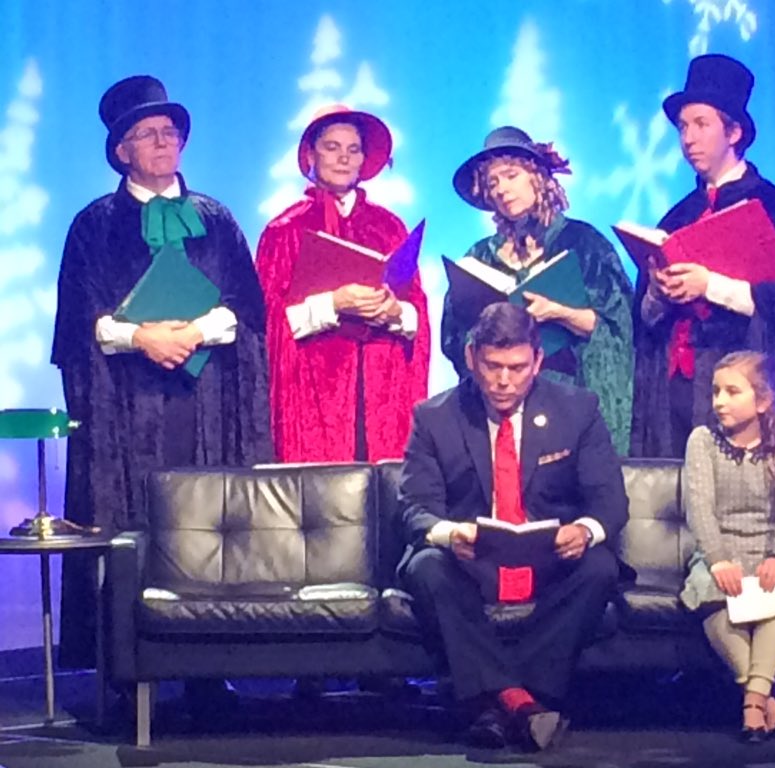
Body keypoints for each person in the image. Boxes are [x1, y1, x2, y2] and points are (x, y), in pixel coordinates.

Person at [51, 76, 271, 696]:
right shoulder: (95, 225)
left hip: (208, 400)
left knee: (206, 522)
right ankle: (127, 672)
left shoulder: (215, 219)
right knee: (132, 523)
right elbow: (79, 320)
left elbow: (247, 307)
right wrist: (141, 337)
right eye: (147, 134)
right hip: (125, 405)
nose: (162, 142)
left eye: (169, 132)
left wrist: (196, 331)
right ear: (121, 150)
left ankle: (210, 673)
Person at [398, 303, 627, 750]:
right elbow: (415, 508)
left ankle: (494, 706)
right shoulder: (434, 416)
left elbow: (610, 503)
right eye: (493, 366)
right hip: (470, 563)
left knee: (600, 567)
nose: (504, 381)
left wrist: (583, 531)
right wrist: (450, 534)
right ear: (471, 358)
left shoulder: (578, 409)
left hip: (549, 561)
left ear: (537, 362)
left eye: (517, 368)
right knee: (426, 567)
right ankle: (523, 704)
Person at [630, 54, 775, 462]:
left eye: (701, 124)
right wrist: (657, 292)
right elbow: (645, 321)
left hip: (743, 390)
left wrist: (709, 285)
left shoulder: (773, 208)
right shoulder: (678, 216)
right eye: (683, 127)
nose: (688, 138)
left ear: (734, 131)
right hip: (675, 393)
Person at [442, 126, 633, 454]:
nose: (502, 189)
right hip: (501, 404)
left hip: (568, 398)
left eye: (511, 175)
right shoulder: (479, 257)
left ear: (538, 178)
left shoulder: (584, 243)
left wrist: (560, 313)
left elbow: (619, 327)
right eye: (492, 183)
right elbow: (454, 337)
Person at [255, 104, 429, 463]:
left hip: (382, 384)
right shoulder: (285, 230)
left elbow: (418, 310)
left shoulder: (389, 227)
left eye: (353, 149)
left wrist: (396, 312)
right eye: (332, 147)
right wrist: (333, 305)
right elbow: (267, 322)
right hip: (314, 389)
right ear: (311, 155)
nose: (343, 158)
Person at [680, 351, 775, 742]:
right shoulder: (703, 441)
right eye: (716, 391)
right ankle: (767, 705)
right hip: (719, 553)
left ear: (763, 400)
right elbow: (699, 508)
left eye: (732, 392)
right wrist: (718, 560)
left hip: (769, 550)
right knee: (715, 597)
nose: (720, 401)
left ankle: (752, 702)